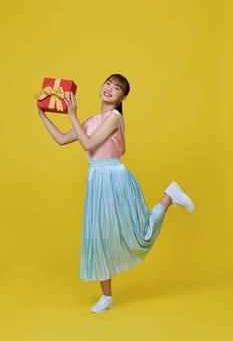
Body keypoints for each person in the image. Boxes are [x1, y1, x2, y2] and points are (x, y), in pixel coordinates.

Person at [37, 73, 194, 314]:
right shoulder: (90, 121)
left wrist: (72, 116)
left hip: (115, 177)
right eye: (108, 83)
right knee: (100, 239)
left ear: (123, 97)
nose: (110, 88)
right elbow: (61, 139)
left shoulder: (114, 118)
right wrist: (43, 114)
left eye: (117, 87)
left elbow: (88, 145)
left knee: (139, 234)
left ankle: (170, 195)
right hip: (96, 181)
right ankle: (107, 297)